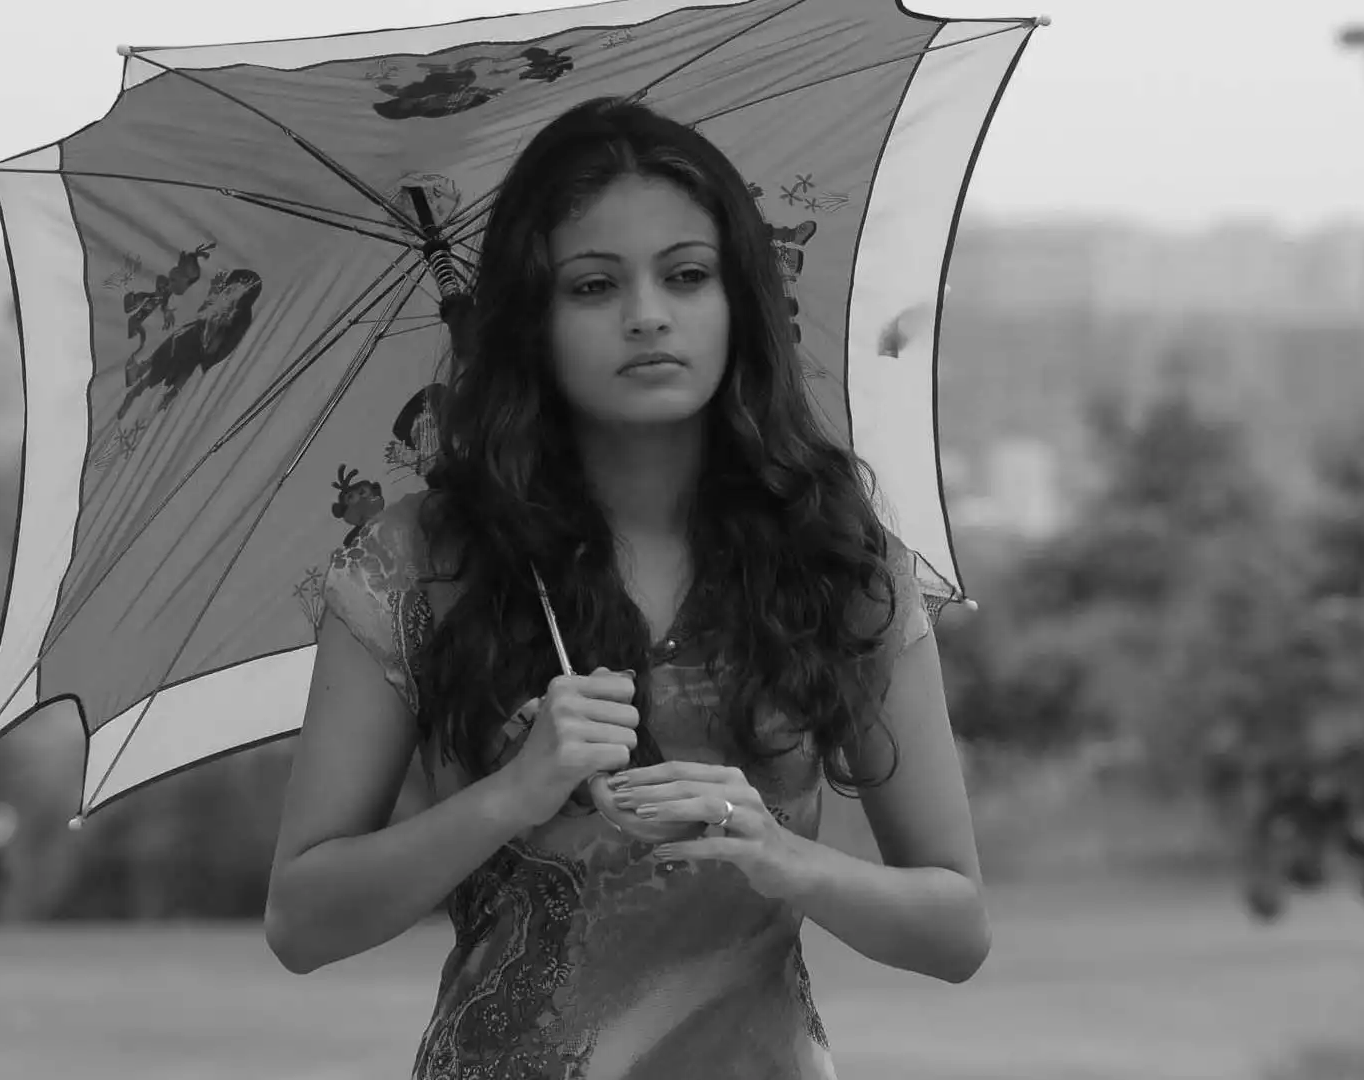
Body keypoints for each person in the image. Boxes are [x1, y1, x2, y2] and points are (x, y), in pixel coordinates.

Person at [264, 95, 987, 1079]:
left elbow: (956, 931)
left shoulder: (833, 554)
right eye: (594, 286)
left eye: (686, 275)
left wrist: (784, 858)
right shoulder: (419, 561)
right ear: (534, 320)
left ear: (739, 299)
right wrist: (513, 795)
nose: (648, 314)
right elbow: (301, 921)